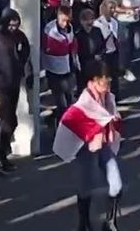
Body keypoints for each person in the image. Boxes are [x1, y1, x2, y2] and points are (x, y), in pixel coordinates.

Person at [52, 61, 123, 231]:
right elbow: (69, 121)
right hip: (86, 149)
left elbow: (110, 118)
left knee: (116, 184)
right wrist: (89, 134)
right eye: (104, 80)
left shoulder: (109, 99)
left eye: (108, 80)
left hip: (104, 145)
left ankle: (110, 222)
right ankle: (83, 224)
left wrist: (113, 121)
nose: (107, 84)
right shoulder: (83, 105)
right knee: (85, 188)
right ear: (93, 82)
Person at [0, 8, 31, 173]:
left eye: (16, 25)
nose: (14, 28)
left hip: (14, 82)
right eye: (11, 25)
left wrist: (24, 70)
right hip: (0, 83)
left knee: (9, 120)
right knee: (8, 120)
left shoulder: (20, 36)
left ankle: (0, 150)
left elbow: (26, 52)